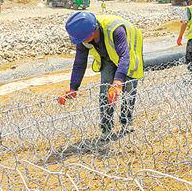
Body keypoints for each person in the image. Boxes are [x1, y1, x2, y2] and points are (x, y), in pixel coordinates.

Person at [58, 11, 144, 139]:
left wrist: (118, 81)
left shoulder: (115, 29)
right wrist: (73, 87)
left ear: (92, 33)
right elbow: (79, 62)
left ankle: (126, 123)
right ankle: (106, 129)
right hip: (107, 58)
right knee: (106, 93)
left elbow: (124, 56)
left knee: (128, 89)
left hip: (128, 51)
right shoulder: (83, 38)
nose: (81, 42)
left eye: (82, 40)